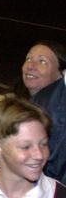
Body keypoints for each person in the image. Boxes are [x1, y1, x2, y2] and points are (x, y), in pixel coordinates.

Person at [21, 41, 66, 185]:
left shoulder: (50, 110)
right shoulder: (33, 104)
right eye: (28, 59)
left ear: (61, 75)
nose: (31, 66)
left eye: (42, 61)